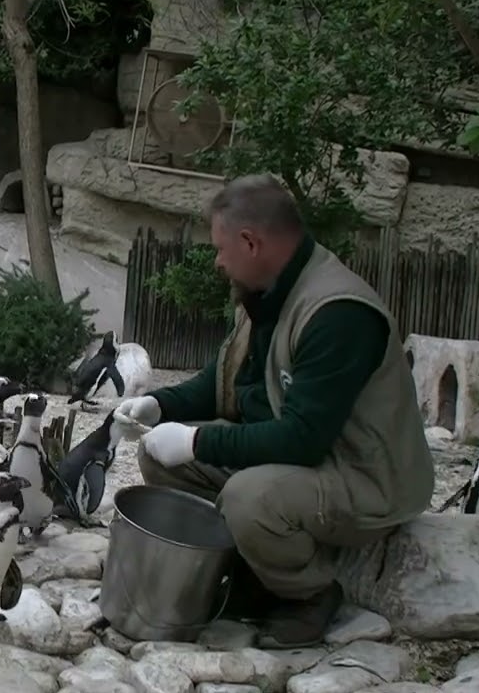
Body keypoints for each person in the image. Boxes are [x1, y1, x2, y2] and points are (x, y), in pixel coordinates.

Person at [114, 173, 434, 649]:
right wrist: (160, 405)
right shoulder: (267, 292)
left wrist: (197, 441)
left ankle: (309, 594)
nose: (219, 262)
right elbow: (221, 383)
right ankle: (249, 567)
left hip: (366, 476)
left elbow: (303, 439)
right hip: (308, 459)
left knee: (249, 498)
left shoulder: (337, 313)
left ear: (251, 242)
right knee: (160, 456)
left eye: (221, 249)